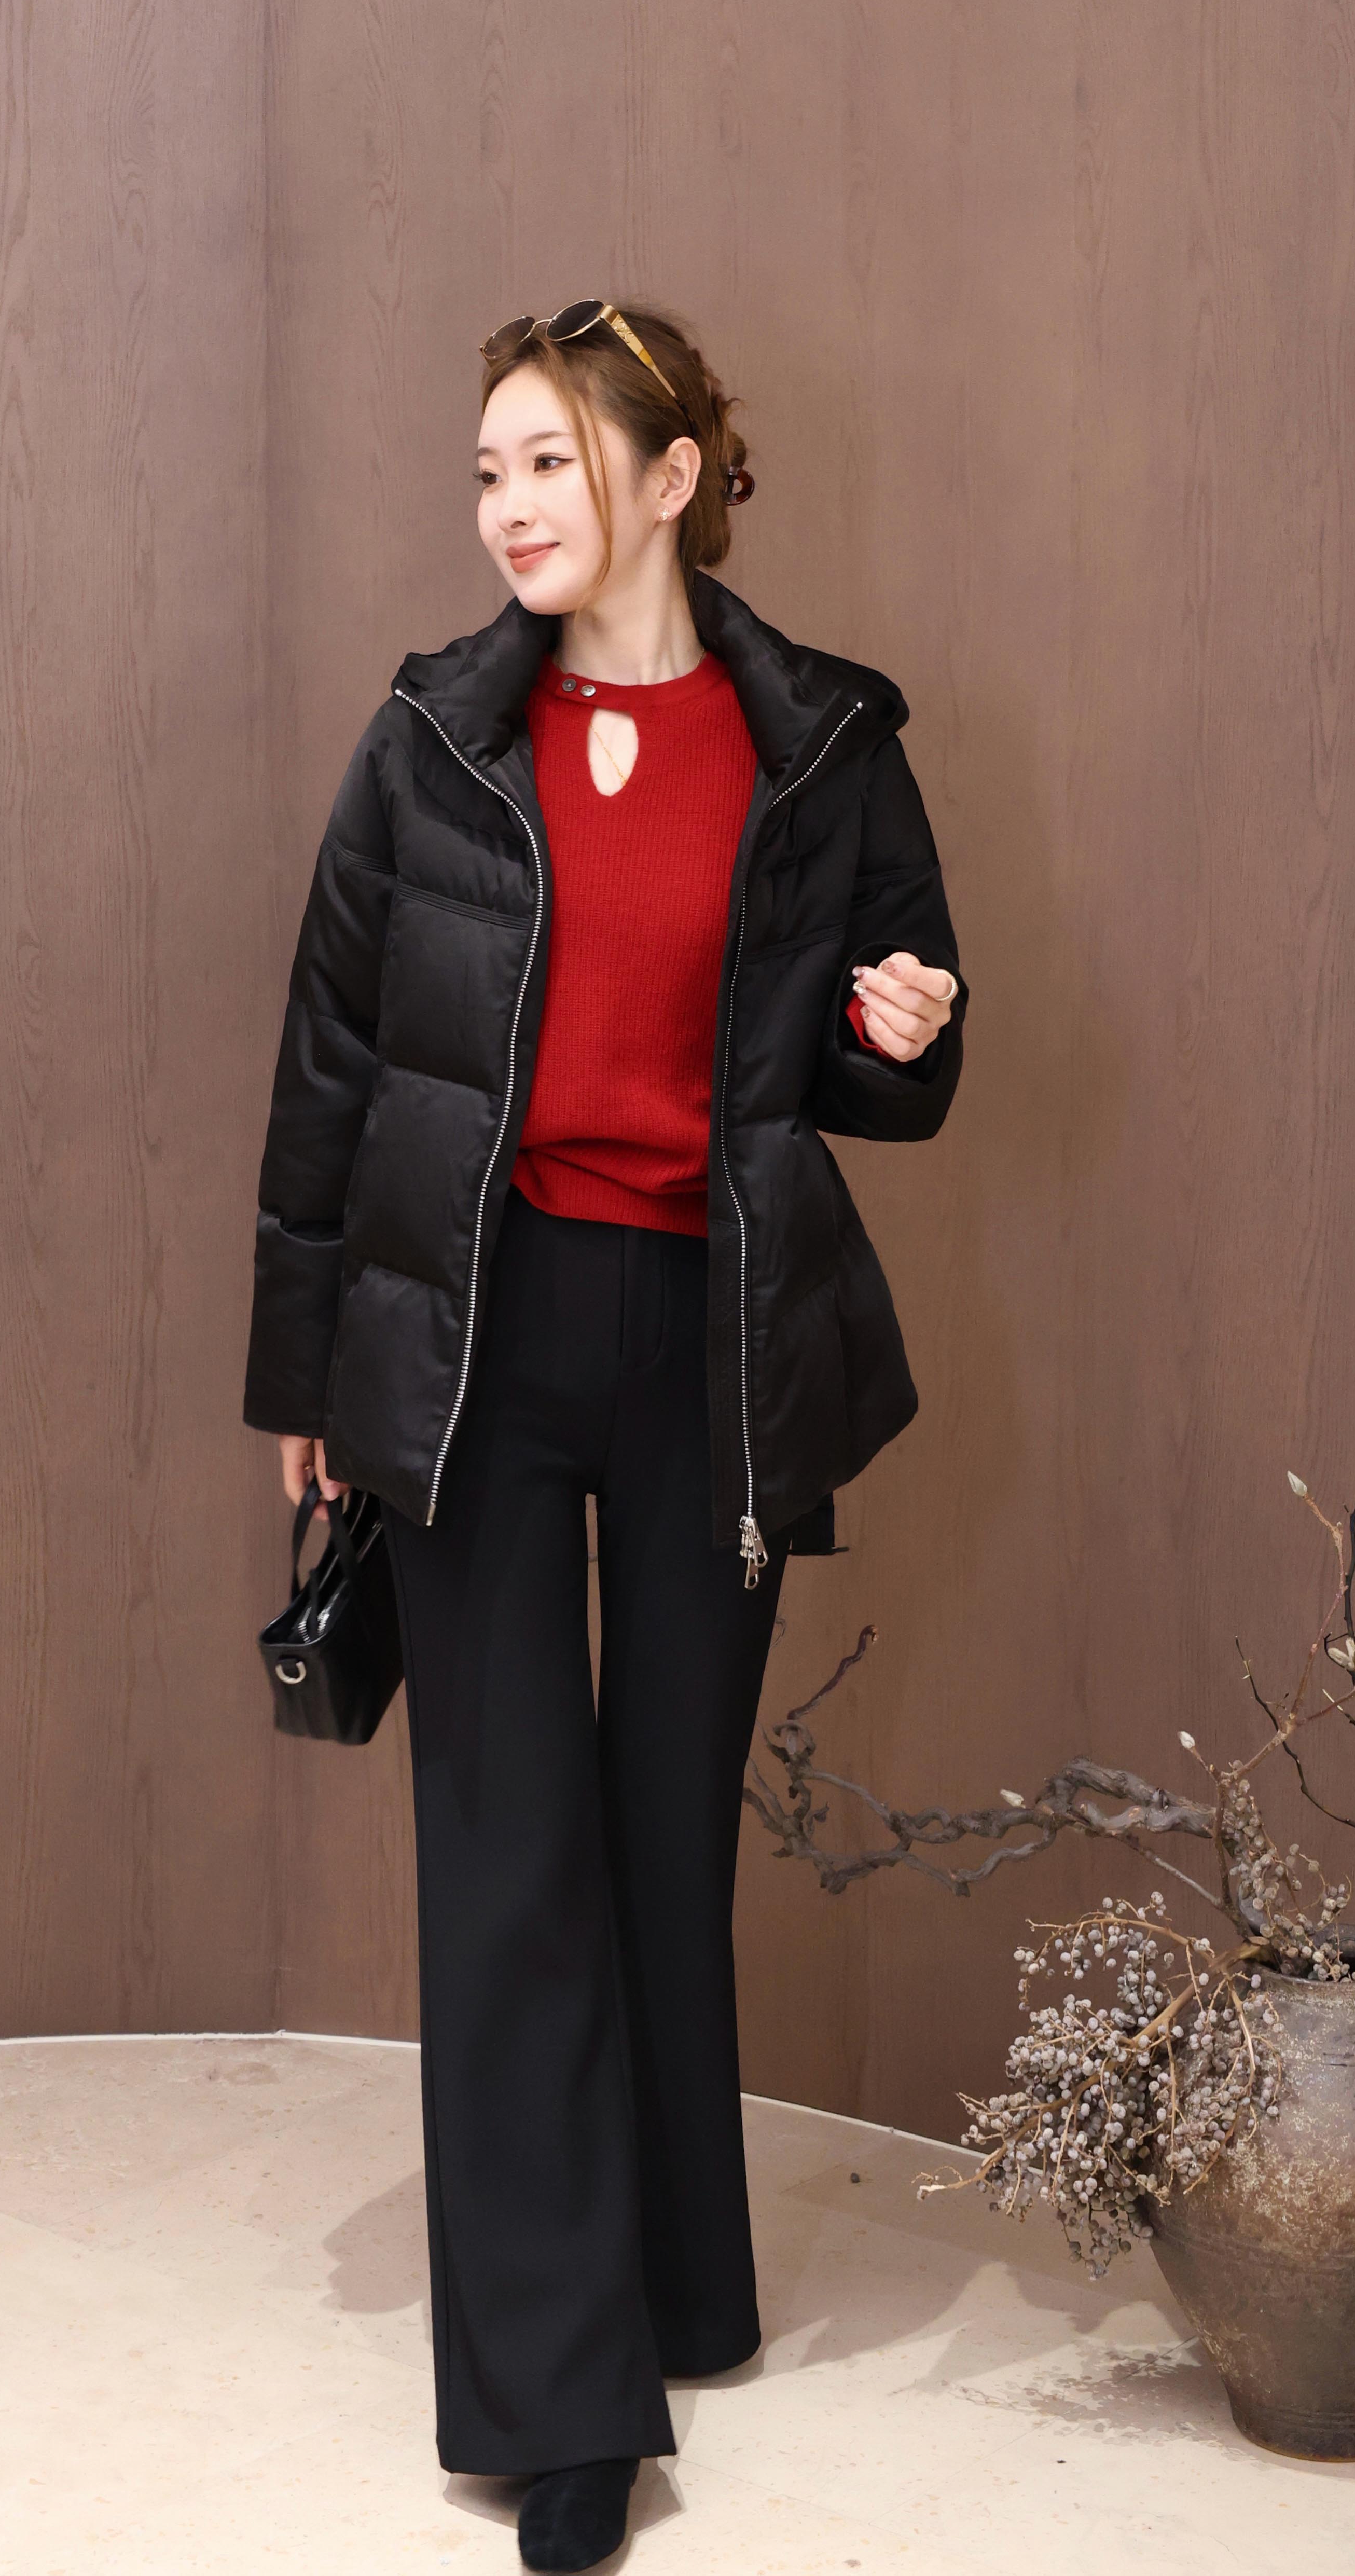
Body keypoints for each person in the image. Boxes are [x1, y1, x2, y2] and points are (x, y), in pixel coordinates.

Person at [242, 299, 965, 2572]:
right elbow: (332, 1065)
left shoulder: (824, 741)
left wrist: (904, 1028)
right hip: (476, 1336)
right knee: (510, 1849)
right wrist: (306, 1379)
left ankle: (674, 2280)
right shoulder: (431, 745)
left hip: (714, 1345)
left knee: (660, 1825)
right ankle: (561, 2404)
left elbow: (889, 1074)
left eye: (548, 462)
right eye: (486, 471)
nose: (508, 509)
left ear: (668, 479)